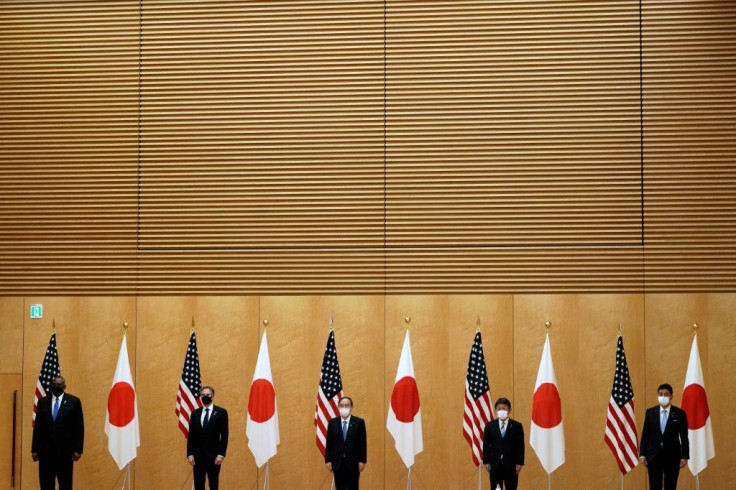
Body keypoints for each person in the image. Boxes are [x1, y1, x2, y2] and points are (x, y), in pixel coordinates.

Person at [31, 375, 84, 490]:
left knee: (65, 484)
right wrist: (34, 449)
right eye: (54, 384)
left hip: (65, 453)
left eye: (59, 385)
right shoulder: (42, 402)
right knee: (46, 484)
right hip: (45, 452)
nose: (56, 386)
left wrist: (78, 449)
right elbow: (38, 427)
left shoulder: (73, 402)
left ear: (64, 386)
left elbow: (79, 427)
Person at [639, 383, 689, 490]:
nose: (663, 397)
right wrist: (642, 454)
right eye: (660, 394)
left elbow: (684, 436)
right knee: (654, 486)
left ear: (671, 396)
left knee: (670, 486)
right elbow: (645, 434)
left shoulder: (680, 413)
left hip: (672, 456)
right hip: (653, 456)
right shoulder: (650, 412)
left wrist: (684, 456)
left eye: (666, 394)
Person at [187, 385, 229, 490]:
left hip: (214, 456)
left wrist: (221, 454)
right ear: (200, 396)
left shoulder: (221, 412)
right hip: (198, 456)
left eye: (208, 394)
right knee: (198, 484)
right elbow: (191, 435)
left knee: (213, 484)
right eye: (203, 395)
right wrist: (190, 453)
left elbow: (225, 435)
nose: (205, 396)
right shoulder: (195, 413)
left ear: (212, 396)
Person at [325, 396, 367, 490]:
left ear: (351, 407)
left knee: (353, 487)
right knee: (340, 487)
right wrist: (328, 460)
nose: (344, 408)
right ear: (338, 407)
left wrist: (362, 460)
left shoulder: (359, 422)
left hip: (353, 462)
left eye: (347, 405)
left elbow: (362, 443)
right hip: (338, 462)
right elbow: (329, 442)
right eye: (342, 405)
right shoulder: (332, 423)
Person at [483, 397, 524, 490]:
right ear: (496, 410)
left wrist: (520, 462)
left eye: (504, 408)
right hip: (495, 464)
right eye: (499, 408)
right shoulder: (490, 426)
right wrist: (486, 461)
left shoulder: (517, 426)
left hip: (511, 464)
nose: (501, 410)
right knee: (496, 488)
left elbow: (520, 446)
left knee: (511, 487)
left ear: (509, 410)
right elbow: (486, 444)